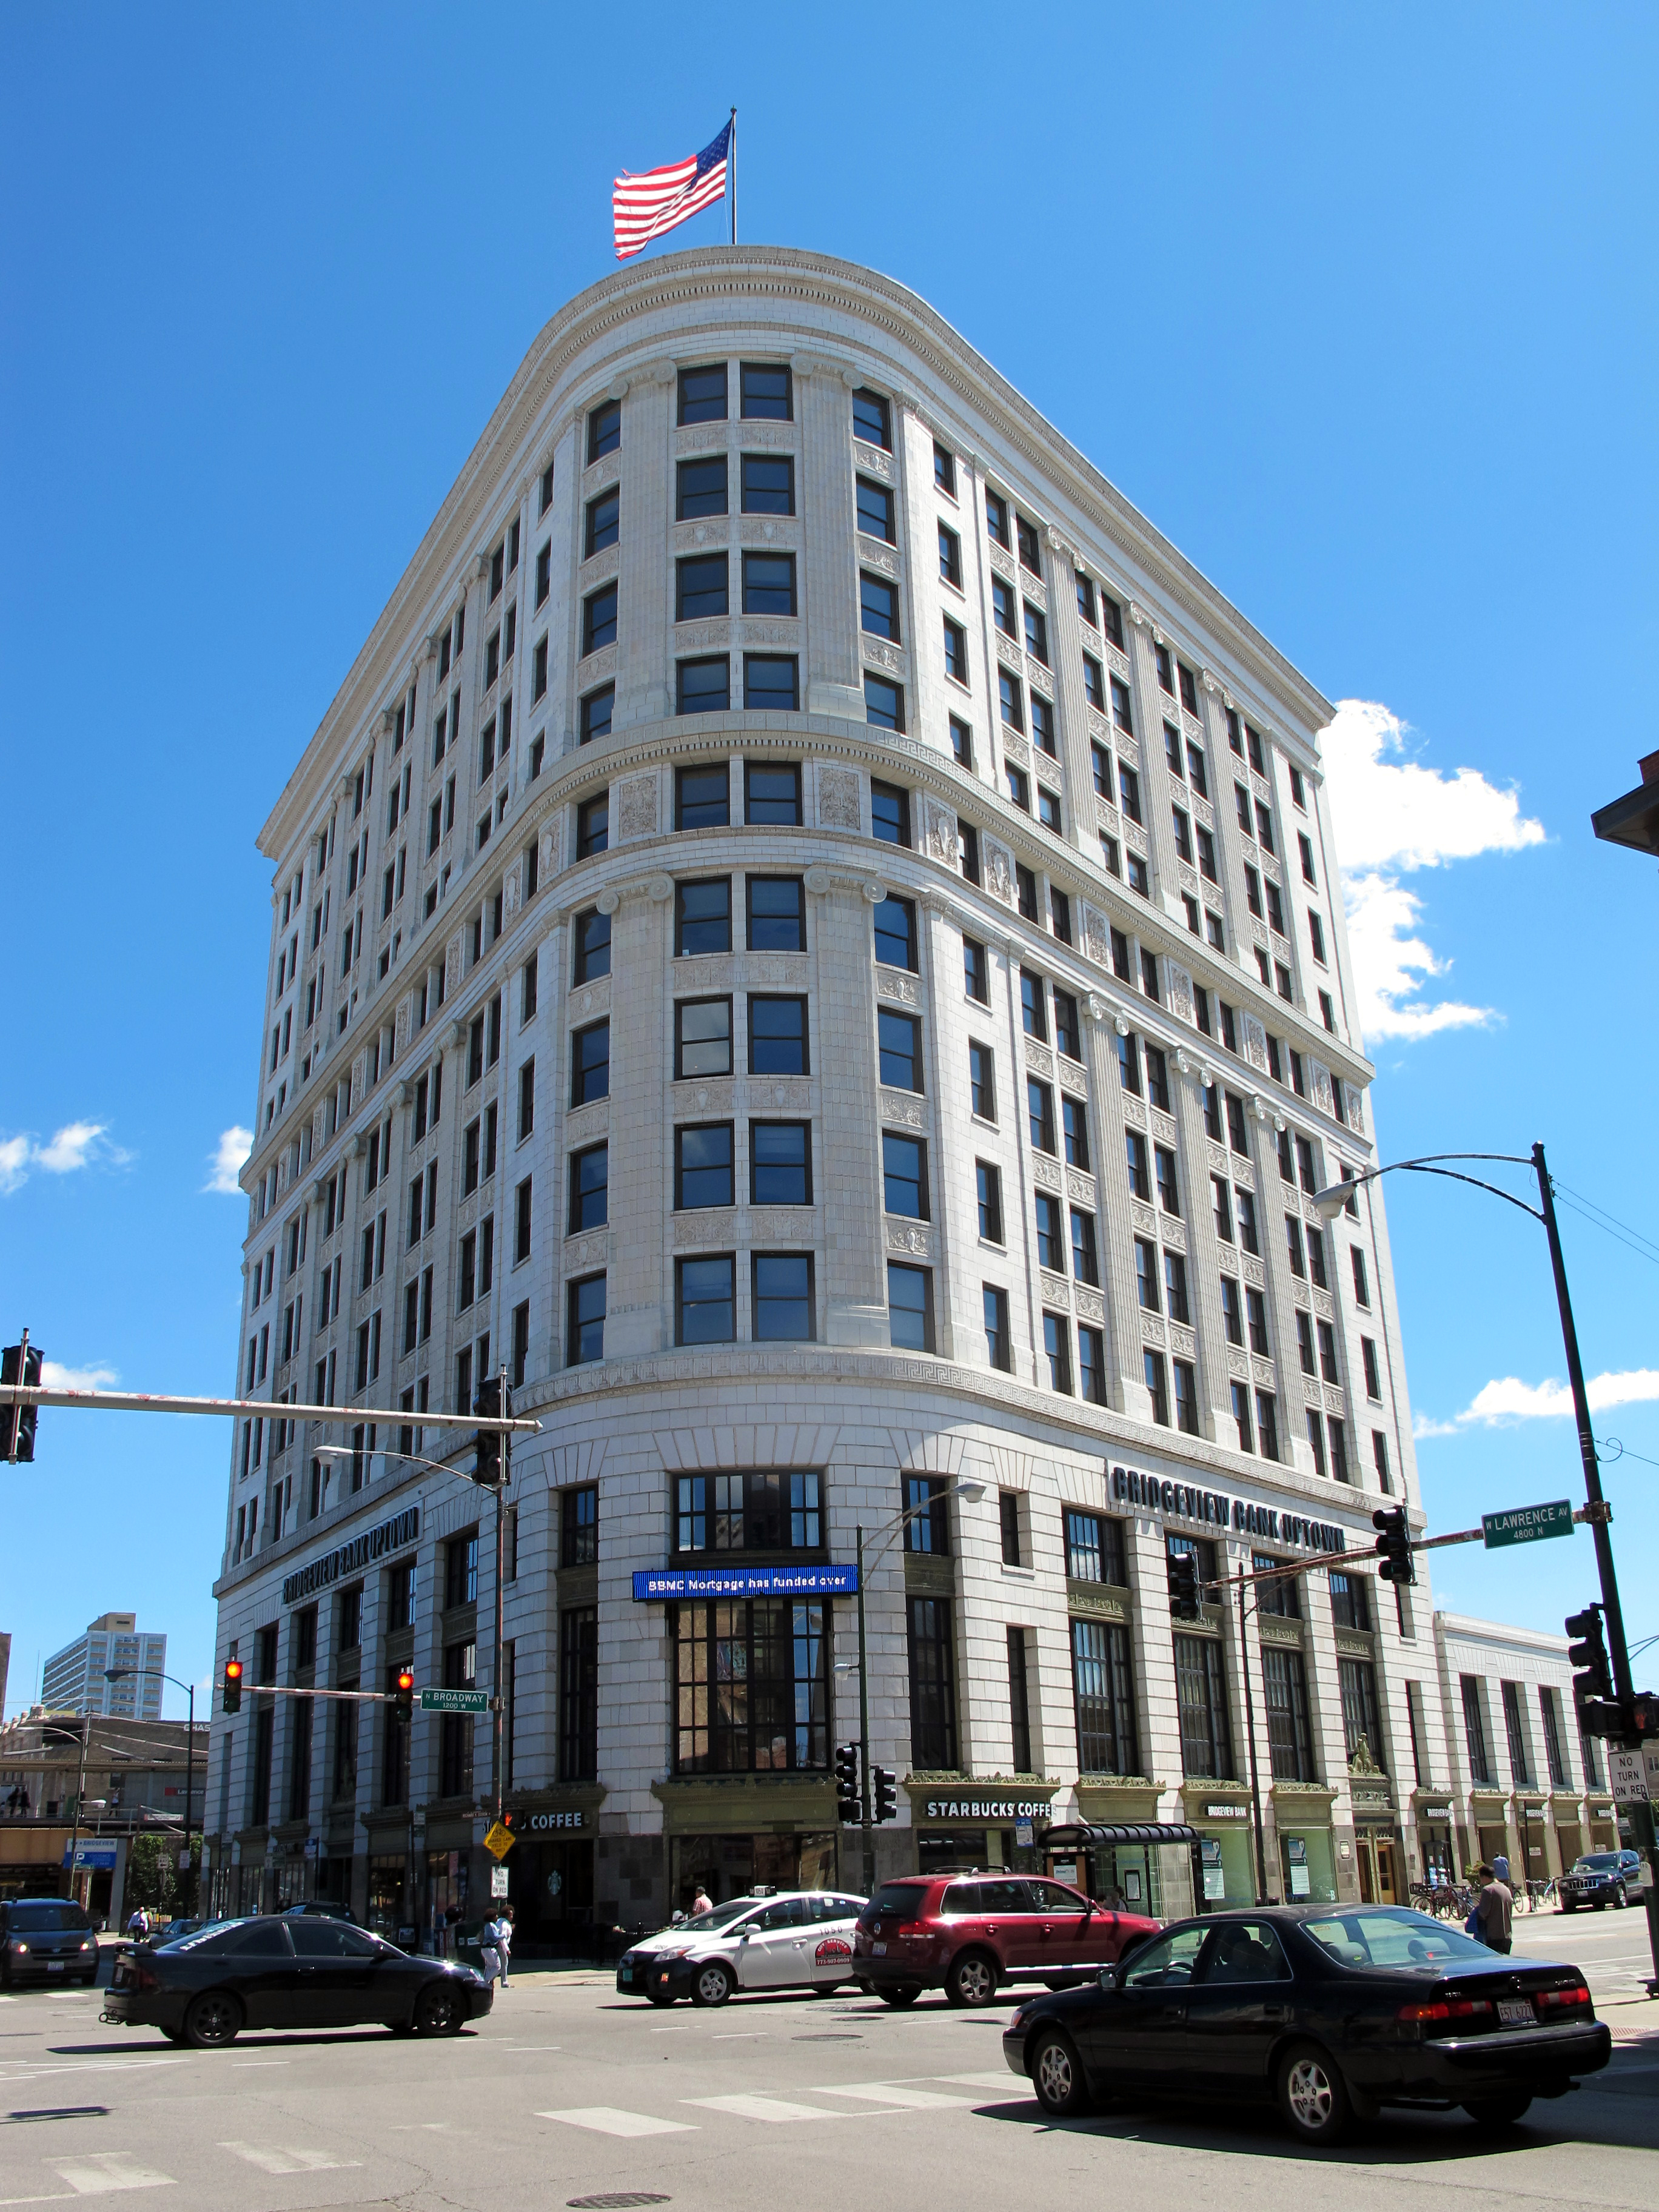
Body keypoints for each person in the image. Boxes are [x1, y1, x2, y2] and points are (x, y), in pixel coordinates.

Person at [1476, 1857, 1515, 1955]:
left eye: (1481, 1878)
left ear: (1485, 1877)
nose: (1481, 1882)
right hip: (1507, 1936)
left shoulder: (1488, 1890)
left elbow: (1483, 1913)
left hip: (1493, 1936)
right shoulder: (1506, 1889)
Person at [496, 1904, 514, 1988]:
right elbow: (502, 1938)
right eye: (510, 1915)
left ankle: (489, 1981)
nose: (512, 1917)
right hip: (501, 1946)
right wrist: (507, 1950)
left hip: (496, 1946)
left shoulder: (499, 1921)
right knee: (504, 1964)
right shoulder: (504, 1924)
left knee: (496, 1965)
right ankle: (504, 1982)